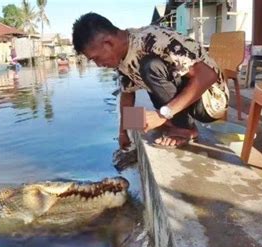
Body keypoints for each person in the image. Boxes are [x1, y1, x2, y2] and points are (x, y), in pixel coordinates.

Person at [72, 13, 229, 149]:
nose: (99, 65)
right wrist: (122, 133)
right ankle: (171, 122)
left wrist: (163, 114)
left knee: (150, 66)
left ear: (108, 43)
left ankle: (186, 129)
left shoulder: (152, 40)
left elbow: (208, 76)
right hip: (184, 96)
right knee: (136, 117)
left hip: (210, 101)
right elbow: (127, 95)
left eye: (96, 58)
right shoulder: (120, 59)